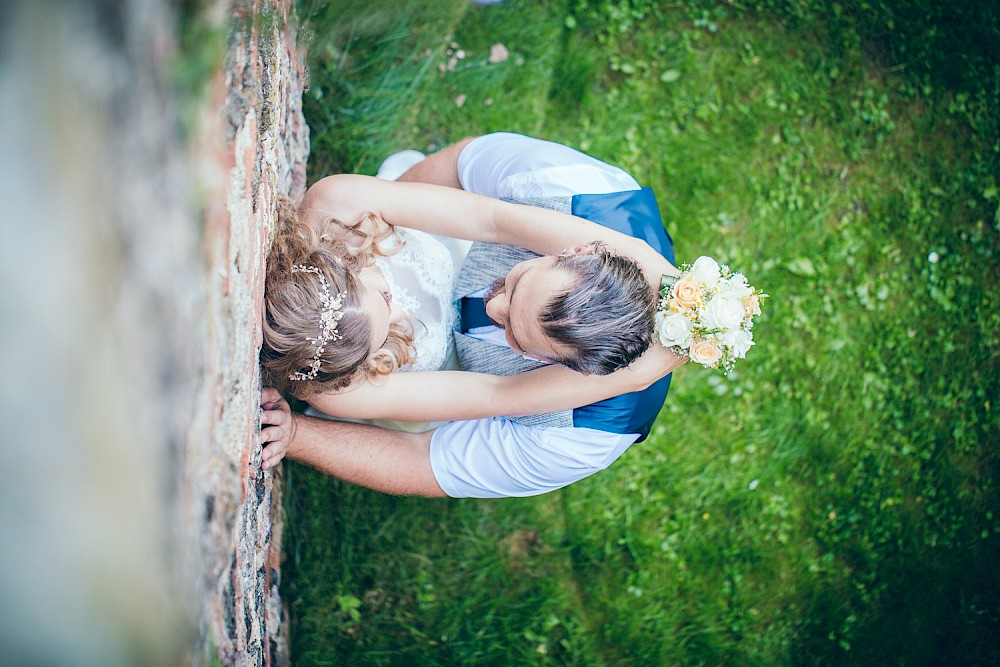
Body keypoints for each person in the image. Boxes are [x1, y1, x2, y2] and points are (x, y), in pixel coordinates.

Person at [260, 132, 685, 497]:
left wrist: (638, 375)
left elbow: (453, 435)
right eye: (517, 285)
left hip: (449, 375)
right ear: (576, 250)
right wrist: (660, 273)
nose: (494, 305)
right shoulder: (574, 190)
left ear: (568, 372)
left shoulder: (578, 437)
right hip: (449, 247)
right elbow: (491, 216)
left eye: (518, 339)